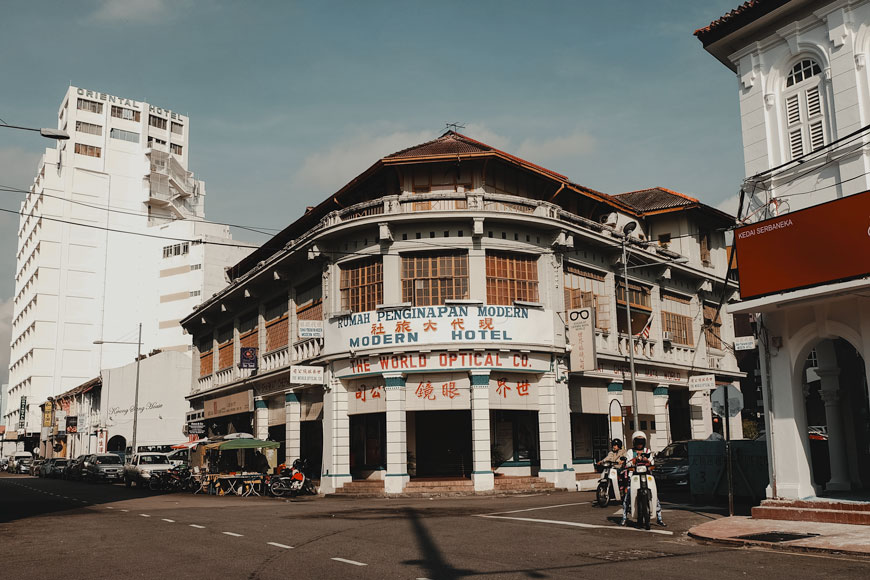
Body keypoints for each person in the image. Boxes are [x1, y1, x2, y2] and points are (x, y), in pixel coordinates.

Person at [620, 431, 666, 527]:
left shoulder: (647, 451)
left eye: (641, 441)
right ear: (634, 442)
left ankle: (659, 517)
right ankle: (624, 517)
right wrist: (634, 460)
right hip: (634, 476)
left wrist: (647, 460)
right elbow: (628, 464)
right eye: (638, 441)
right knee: (627, 496)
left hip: (647, 475)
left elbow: (652, 462)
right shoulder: (630, 452)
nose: (640, 444)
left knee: (655, 495)